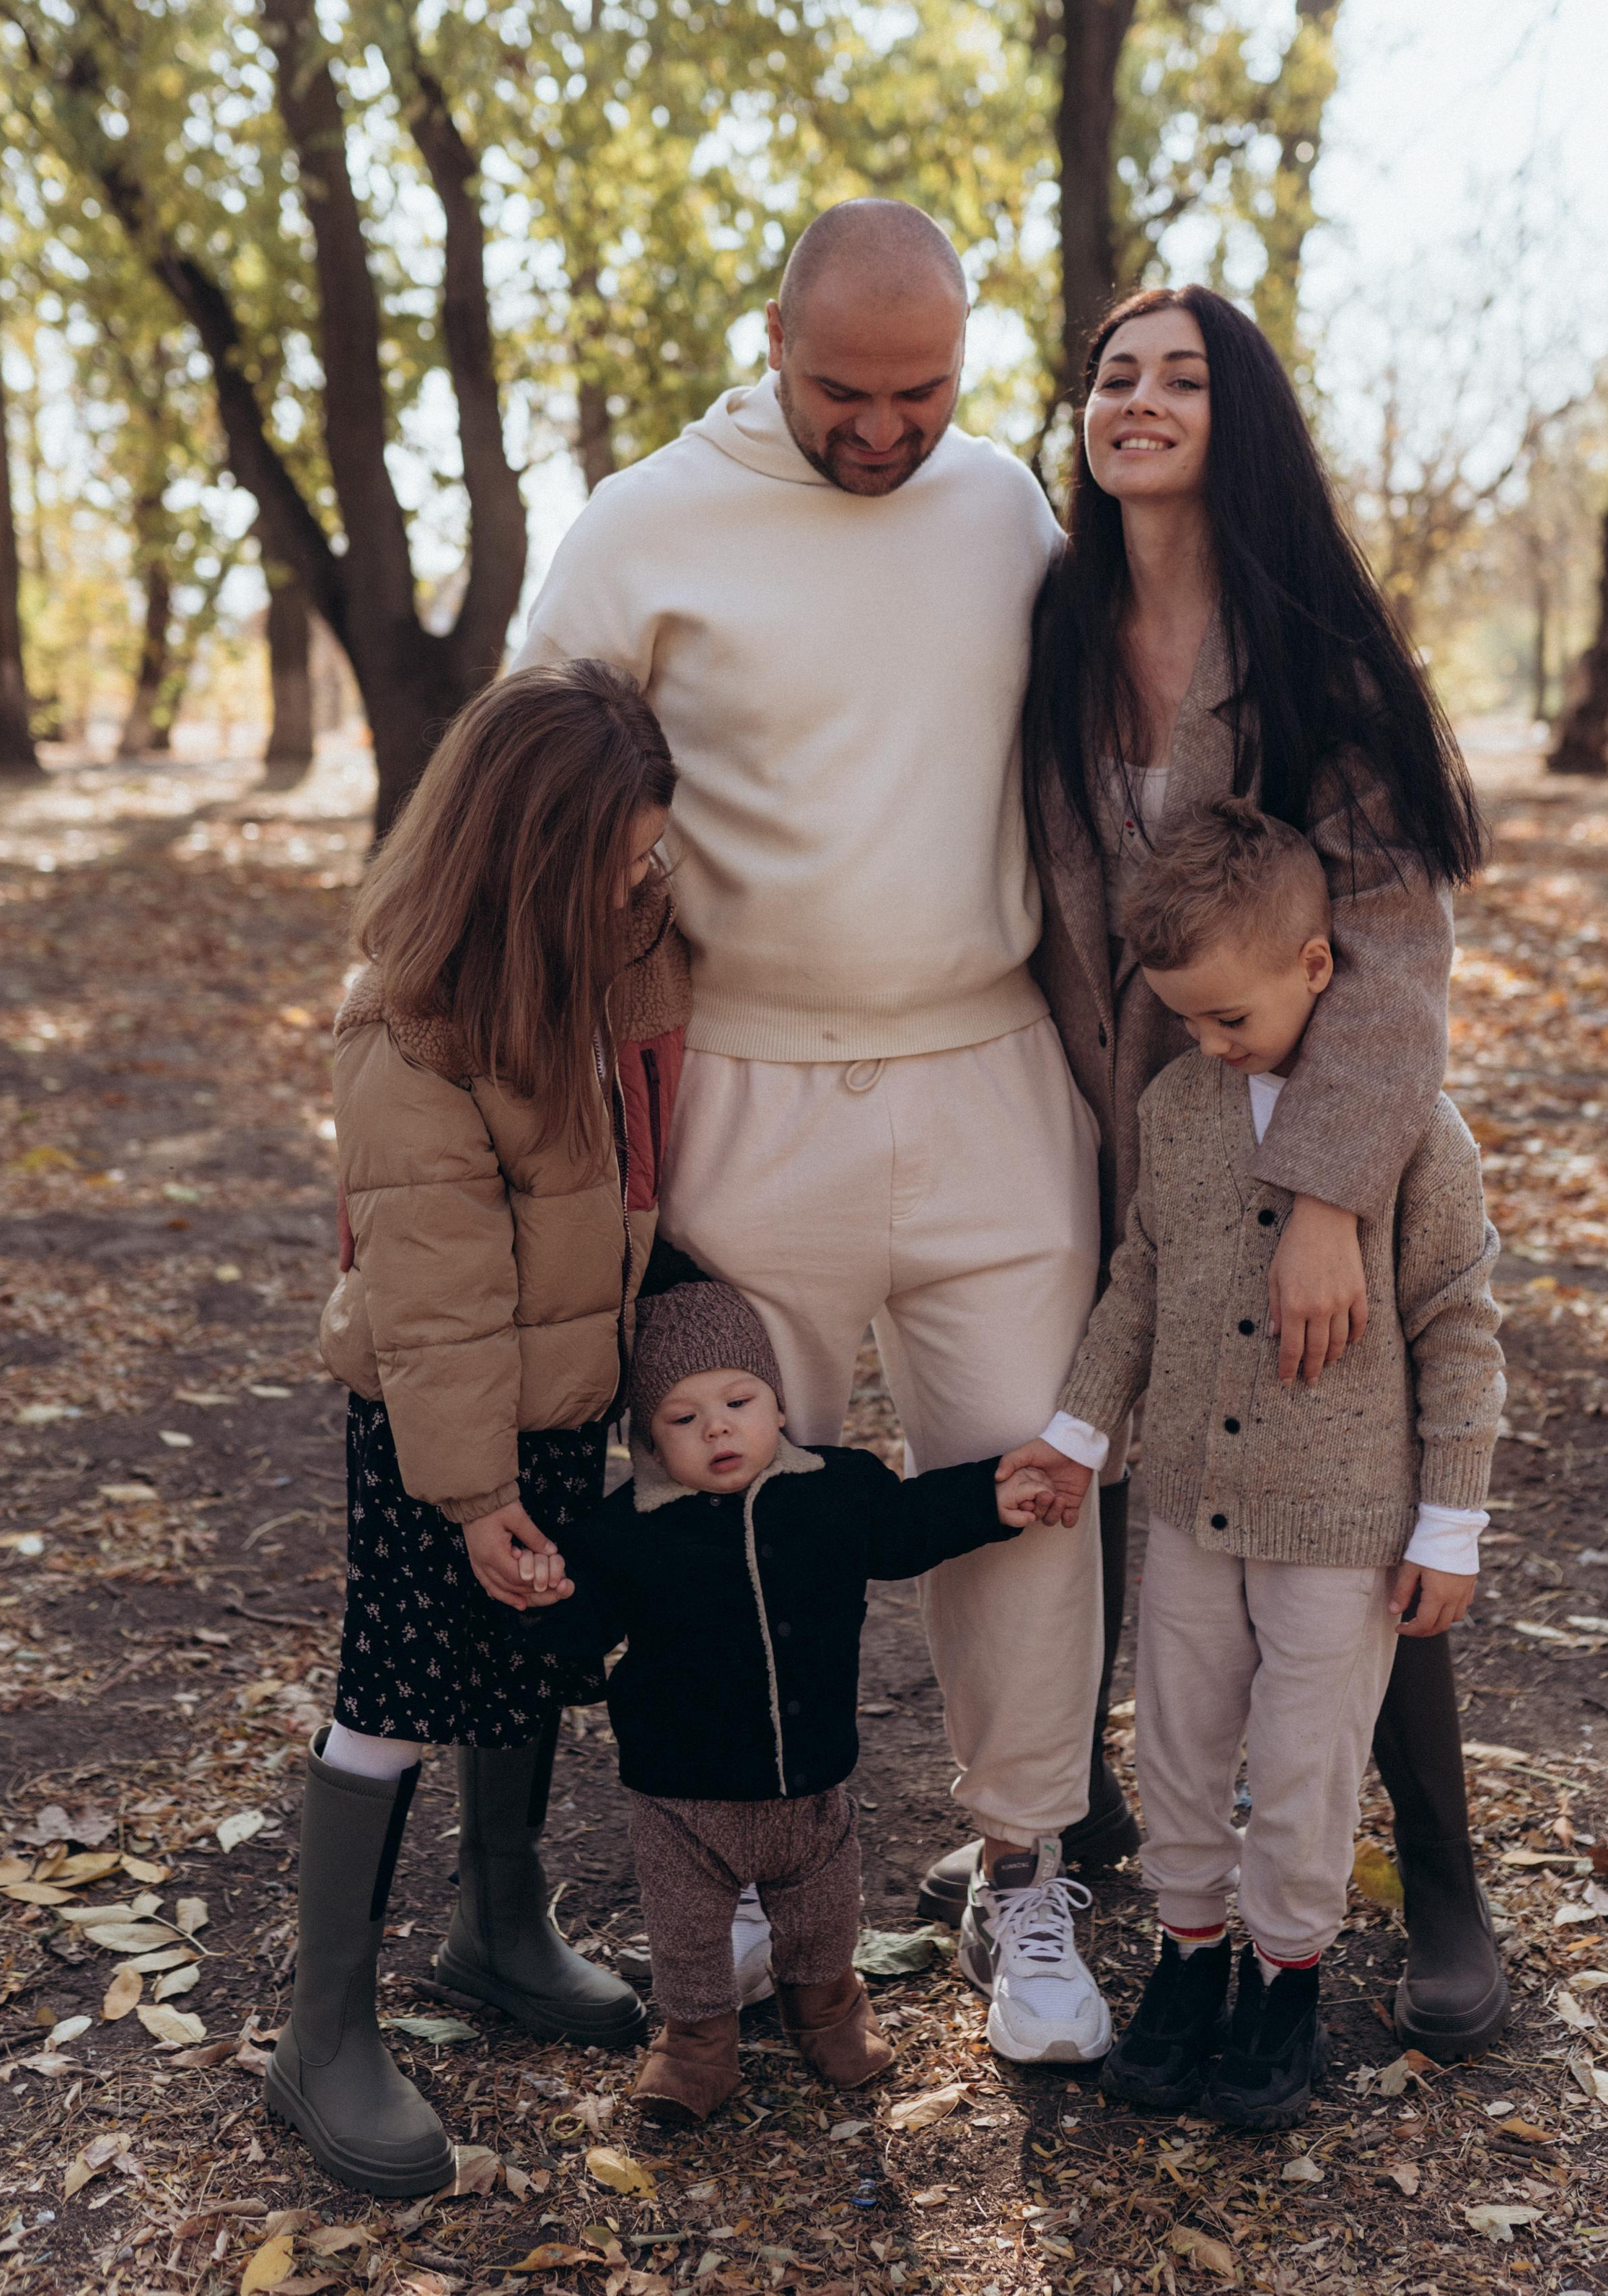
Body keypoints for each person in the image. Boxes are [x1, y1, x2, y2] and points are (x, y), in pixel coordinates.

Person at [514, 200, 1113, 2067]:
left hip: (991, 1070)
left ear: (969, 356)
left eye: (921, 390)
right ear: (767, 340)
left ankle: (1030, 1883)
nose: (881, 429)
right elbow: (515, 796)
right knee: (730, 1510)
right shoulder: (640, 526)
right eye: (841, 390)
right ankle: (767, 1899)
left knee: (1025, 1484)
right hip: (747, 1089)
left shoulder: (1009, 502)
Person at [1001, 282, 1511, 2067]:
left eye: (1179, 375)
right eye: (1108, 374)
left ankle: (1432, 1881)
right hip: (1106, 1113)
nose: (1134, 398)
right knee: (1162, 1486)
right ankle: (1137, 1880)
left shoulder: (1314, 652)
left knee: (1327, 1467)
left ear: (1245, 418)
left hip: (1304, 1124)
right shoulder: (1050, 627)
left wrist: (1320, 1197)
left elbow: (1388, 938)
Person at [1008, 799, 1505, 2125]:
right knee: (1176, 1745)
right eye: (1185, 1020)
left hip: (1341, 1534)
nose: (1207, 1044)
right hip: (1186, 1511)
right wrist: (1076, 1429)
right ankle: (1188, 1958)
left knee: (1303, 1767)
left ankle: (1288, 1975)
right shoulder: (1179, 1111)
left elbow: (1460, 1330)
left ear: (1318, 966)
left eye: (1231, 1019)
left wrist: (1450, 1521)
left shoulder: (1413, 1134)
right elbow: (1139, 1288)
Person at [268, 660, 687, 2199]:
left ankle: (499, 1925)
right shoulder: (413, 1016)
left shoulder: (615, 950)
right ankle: (322, 2035)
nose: (647, 884)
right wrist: (470, 1493)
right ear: (529, 857)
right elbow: (430, 1290)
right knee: (395, 1688)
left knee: (526, 1659)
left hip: (562, 1394)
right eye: (623, 859)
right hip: (431, 1428)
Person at [517, 1279, 1057, 2124]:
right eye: (682, 1418)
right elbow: (583, 1630)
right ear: (649, 1441)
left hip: (811, 1783)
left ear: (776, 1402)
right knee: (688, 1938)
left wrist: (986, 1498)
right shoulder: (626, 1531)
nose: (718, 1427)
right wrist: (545, 1600)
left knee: (821, 1915)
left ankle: (829, 2011)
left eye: (738, 1400)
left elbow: (908, 1525)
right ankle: (696, 2047)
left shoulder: (833, 1491)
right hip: (681, 1798)